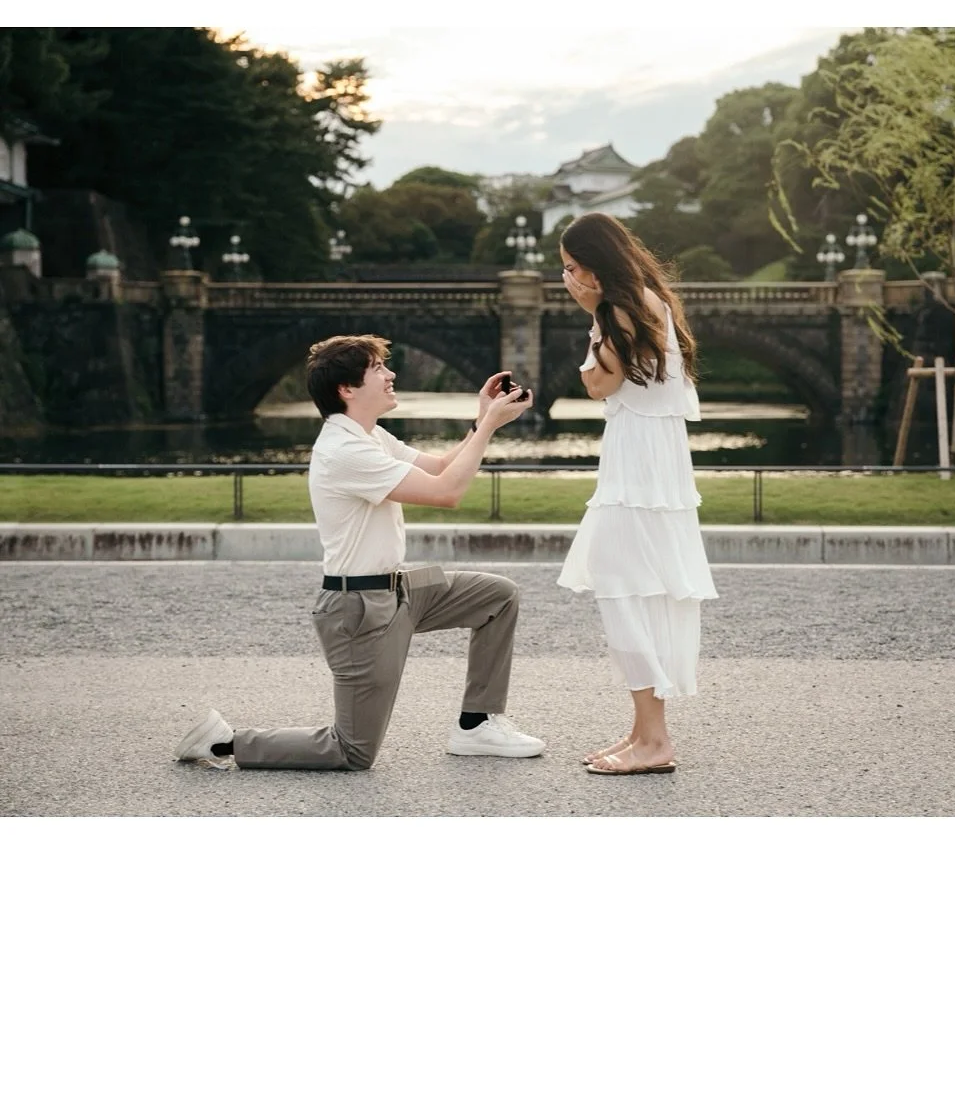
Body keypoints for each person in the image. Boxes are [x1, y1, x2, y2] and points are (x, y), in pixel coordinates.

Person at [174, 334, 545, 771]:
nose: (391, 375)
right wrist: (488, 428)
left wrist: (482, 420)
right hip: (359, 610)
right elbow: (448, 492)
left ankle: (476, 724)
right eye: (378, 369)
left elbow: (441, 467)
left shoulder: (371, 437)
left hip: (403, 591)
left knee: (497, 596)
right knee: (351, 751)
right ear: (347, 389)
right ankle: (226, 742)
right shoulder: (344, 450)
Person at [557, 212, 717, 775]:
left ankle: (655, 741)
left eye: (573, 267)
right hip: (647, 461)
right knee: (638, 589)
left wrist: (591, 314)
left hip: (640, 470)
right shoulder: (646, 302)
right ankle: (643, 732)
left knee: (625, 589)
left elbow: (599, 383)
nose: (569, 278)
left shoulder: (622, 309)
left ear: (597, 265)